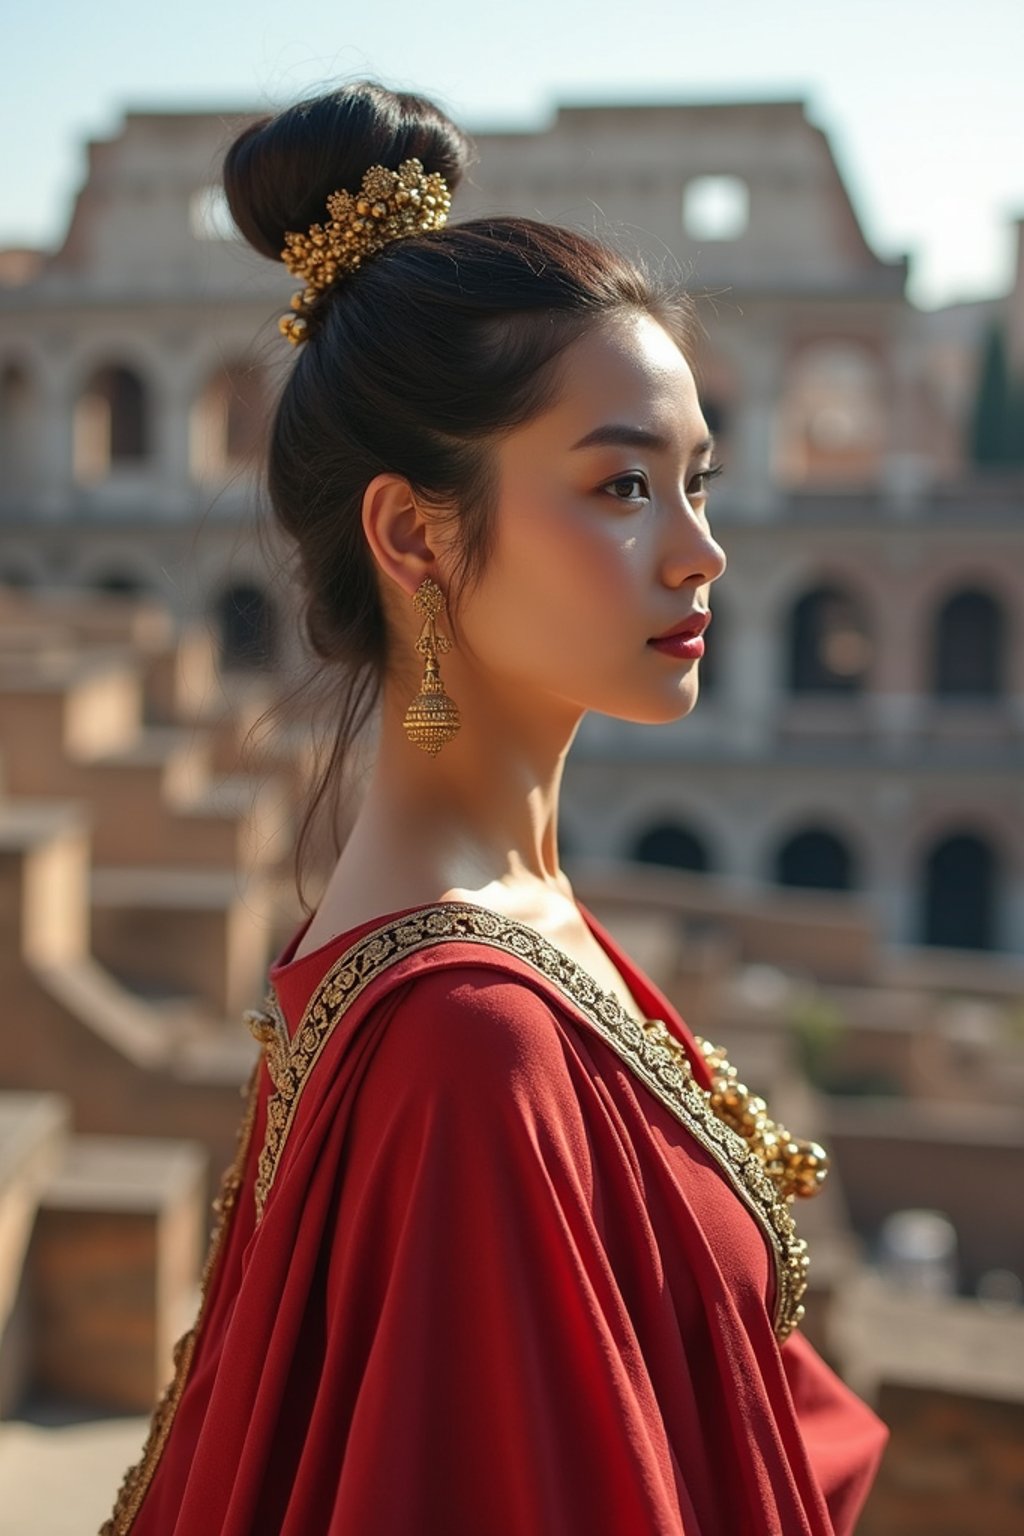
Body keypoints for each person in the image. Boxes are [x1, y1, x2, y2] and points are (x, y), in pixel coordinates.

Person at [103, 81, 887, 1536]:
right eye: (623, 487)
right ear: (413, 533)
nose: (703, 551)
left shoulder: (511, 937)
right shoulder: (476, 1052)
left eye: (695, 483)